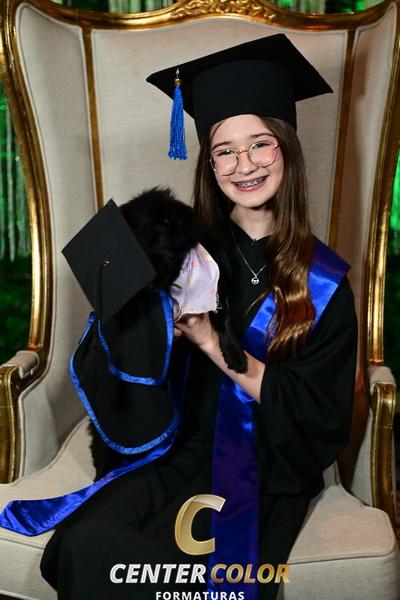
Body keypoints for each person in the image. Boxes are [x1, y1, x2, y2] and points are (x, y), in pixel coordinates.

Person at [2, 34, 358, 600]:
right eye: (224, 150)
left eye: (260, 144)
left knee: (172, 575)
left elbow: (321, 418)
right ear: (209, 163)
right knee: (87, 544)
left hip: (263, 465)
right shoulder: (179, 253)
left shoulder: (326, 281)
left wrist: (210, 341)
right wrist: (137, 321)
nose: (244, 165)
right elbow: (123, 376)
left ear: (287, 149)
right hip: (178, 450)